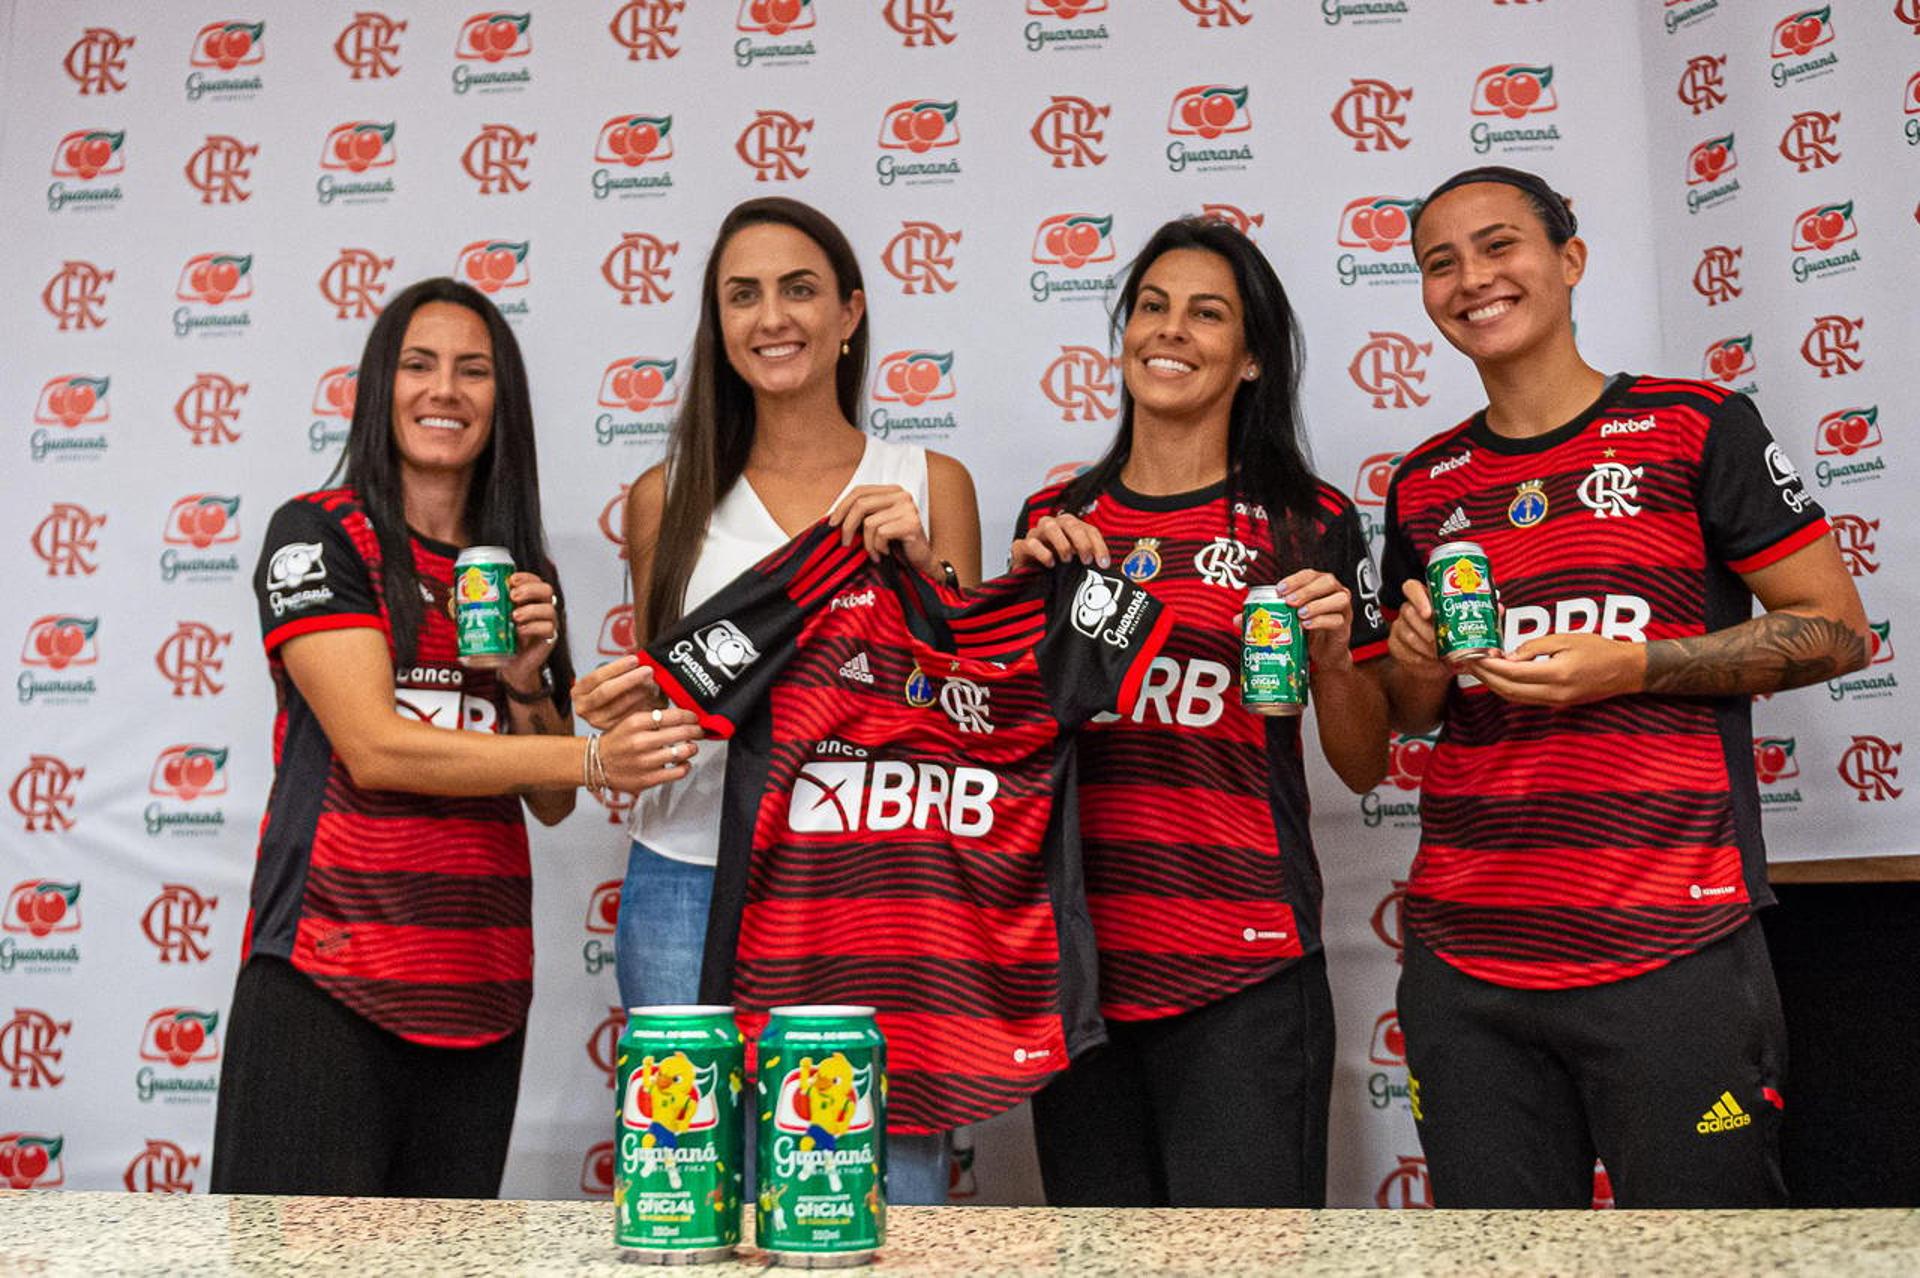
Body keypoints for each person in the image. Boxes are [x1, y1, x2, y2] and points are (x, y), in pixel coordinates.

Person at [1378, 165, 1870, 1208]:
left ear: (1569, 259)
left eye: (1499, 244)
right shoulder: (1422, 485)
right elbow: (1415, 714)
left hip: (1670, 939)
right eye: (1439, 261)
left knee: (1711, 1256)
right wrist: (1414, 668)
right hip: (1467, 956)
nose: (1471, 277)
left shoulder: (1695, 425)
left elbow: (1837, 632)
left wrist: (1636, 663)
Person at [211, 278, 698, 1197]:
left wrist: (524, 687)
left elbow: (550, 803)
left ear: (500, 402)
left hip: (479, 992)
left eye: (474, 372)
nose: (445, 391)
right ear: (376, 388)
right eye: (418, 365)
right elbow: (378, 748)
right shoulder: (319, 535)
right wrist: (595, 754)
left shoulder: (517, 564)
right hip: (330, 978)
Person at [572, 196, 982, 1205]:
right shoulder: (664, 499)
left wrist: (924, 574)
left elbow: (975, 722)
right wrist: (605, 711)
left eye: (798, 290)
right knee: (689, 1200)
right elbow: (668, 706)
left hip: (873, 886)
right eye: (742, 295)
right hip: (687, 877)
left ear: (849, 314)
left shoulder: (931, 482)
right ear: (718, 325)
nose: (772, 318)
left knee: (879, 1203)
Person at [1010, 216, 1390, 1207]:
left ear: (1253, 355)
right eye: (1152, 306)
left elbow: (1363, 762)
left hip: (1245, 970)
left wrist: (1337, 661)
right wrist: (1010, 611)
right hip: (1083, 977)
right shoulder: (1058, 521)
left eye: (1207, 314)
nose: (1170, 331)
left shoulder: (1311, 518)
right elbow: (1006, 736)